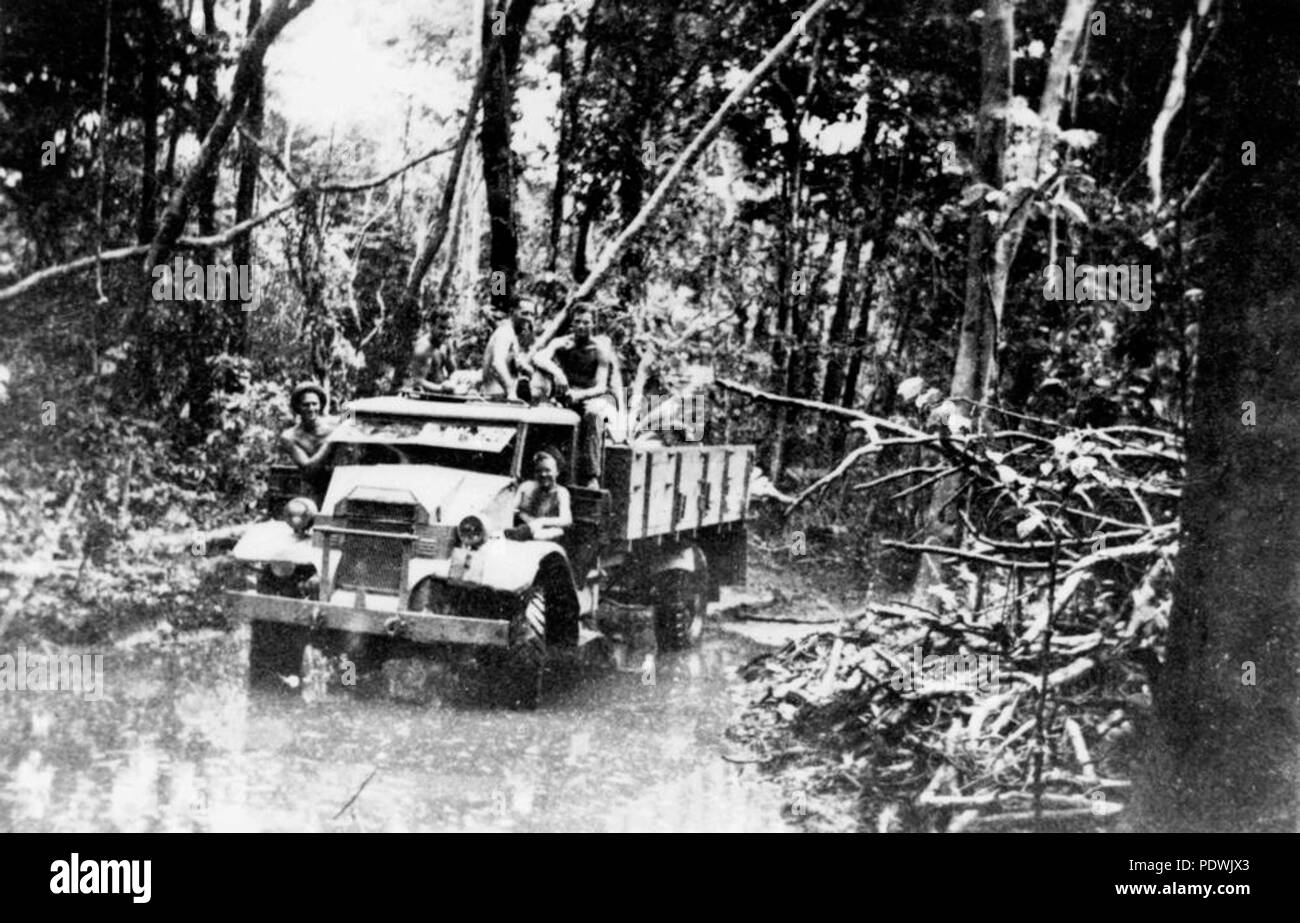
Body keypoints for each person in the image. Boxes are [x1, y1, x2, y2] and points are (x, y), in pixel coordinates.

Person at [532, 304, 617, 487]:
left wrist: (580, 395)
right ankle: (550, 468)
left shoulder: (599, 348)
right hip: (568, 395)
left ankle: (591, 475)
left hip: (594, 396)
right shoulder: (563, 343)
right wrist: (558, 373)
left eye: (586, 322)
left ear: (593, 324)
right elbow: (538, 357)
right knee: (546, 415)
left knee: (593, 414)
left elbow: (601, 386)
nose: (581, 326)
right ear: (572, 324)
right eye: (577, 322)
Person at [279, 382, 337, 502]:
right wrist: (330, 443)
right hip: (313, 490)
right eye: (306, 405)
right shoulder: (289, 436)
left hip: (339, 484)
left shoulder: (333, 424)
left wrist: (348, 405)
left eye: (314, 404)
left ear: (320, 405)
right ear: (298, 408)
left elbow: (351, 420)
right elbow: (308, 469)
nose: (311, 409)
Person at [506, 451, 572, 542]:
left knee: (554, 532)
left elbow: (567, 520)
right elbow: (511, 509)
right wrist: (521, 515)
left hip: (545, 536)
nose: (543, 474)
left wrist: (541, 521)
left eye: (548, 470)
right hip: (522, 529)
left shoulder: (561, 492)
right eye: (539, 471)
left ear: (557, 472)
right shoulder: (526, 486)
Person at [481, 298, 537, 399]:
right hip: (495, 396)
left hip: (500, 395)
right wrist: (511, 390)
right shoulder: (505, 333)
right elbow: (497, 363)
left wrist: (525, 368)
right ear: (512, 312)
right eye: (524, 313)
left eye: (532, 315)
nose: (529, 318)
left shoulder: (511, 334)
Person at [403, 318, 458, 392]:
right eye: (441, 328)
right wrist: (441, 388)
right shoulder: (423, 347)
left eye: (449, 328)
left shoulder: (446, 343)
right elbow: (417, 380)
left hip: (440, 392)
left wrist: (452, 383)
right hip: (422, 396)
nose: (446, 332)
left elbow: (452, 371)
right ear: (432, 326)